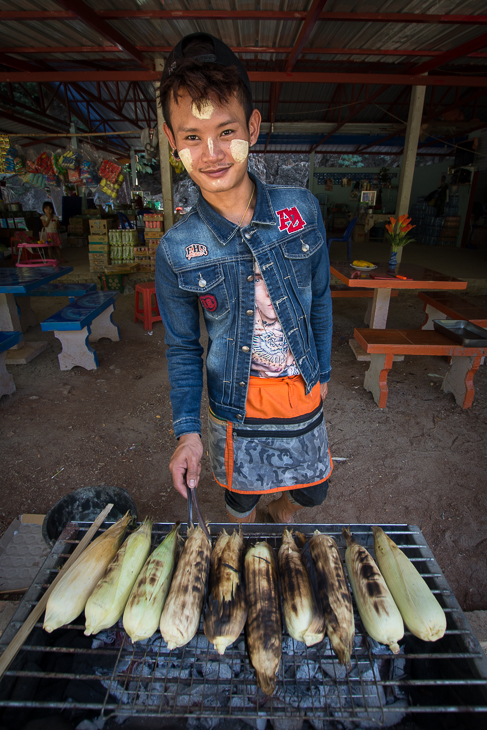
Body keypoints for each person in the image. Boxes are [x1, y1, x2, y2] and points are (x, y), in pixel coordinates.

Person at [155, 33, 333, 524]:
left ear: (252, 127)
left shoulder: (302, 210)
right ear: (172, 141)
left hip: (301, 388)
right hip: (235, 403)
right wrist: (187, 432)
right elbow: (182, 346)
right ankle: (256, 523)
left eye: (225, 130)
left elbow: (320, 299)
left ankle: (282, 511)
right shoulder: (175, 250)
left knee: (311, 495)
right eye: (191, 136)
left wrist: (323, 377)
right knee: (240, 502)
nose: (211, 152)